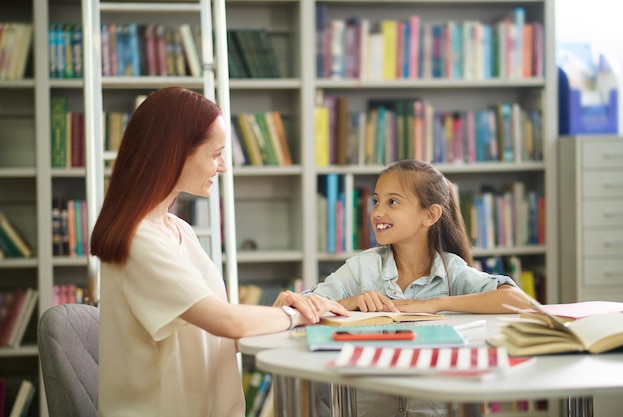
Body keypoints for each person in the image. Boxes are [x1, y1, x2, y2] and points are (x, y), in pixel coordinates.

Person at [90, 86, 349, 417]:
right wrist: (299, 314)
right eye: (215, 154)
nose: (224, 166)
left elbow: (214, 330)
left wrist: (273, 314)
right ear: (175, 153)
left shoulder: (178, 230)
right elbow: (226, 322)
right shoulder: (138, 241)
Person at [276, 159, 529, 417]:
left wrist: (434, 303)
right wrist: (347, 303)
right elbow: (299, 306)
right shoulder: (363, 268)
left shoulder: (451, 270)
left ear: (430, 215)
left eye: (392, 202)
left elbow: (516, 300)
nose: (377, 212)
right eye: (376, 201)